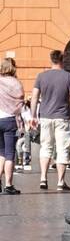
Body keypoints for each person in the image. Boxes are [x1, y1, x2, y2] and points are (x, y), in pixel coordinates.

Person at [31, 49, 70, 192]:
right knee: (62, 149)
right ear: (63, 60)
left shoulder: (41, 76)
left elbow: (34, 97)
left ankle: (43, 178)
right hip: (62, 117)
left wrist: (33, 116)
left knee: (46, 147)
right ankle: (60, 182)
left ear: (51, 60)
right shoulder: (68, 77)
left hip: (45, 116)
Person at [0, 58, 24, 195]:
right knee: (10, 153)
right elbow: (20, 99)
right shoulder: (15, 83)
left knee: (1, 152)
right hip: (10, 120)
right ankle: (9, 185)